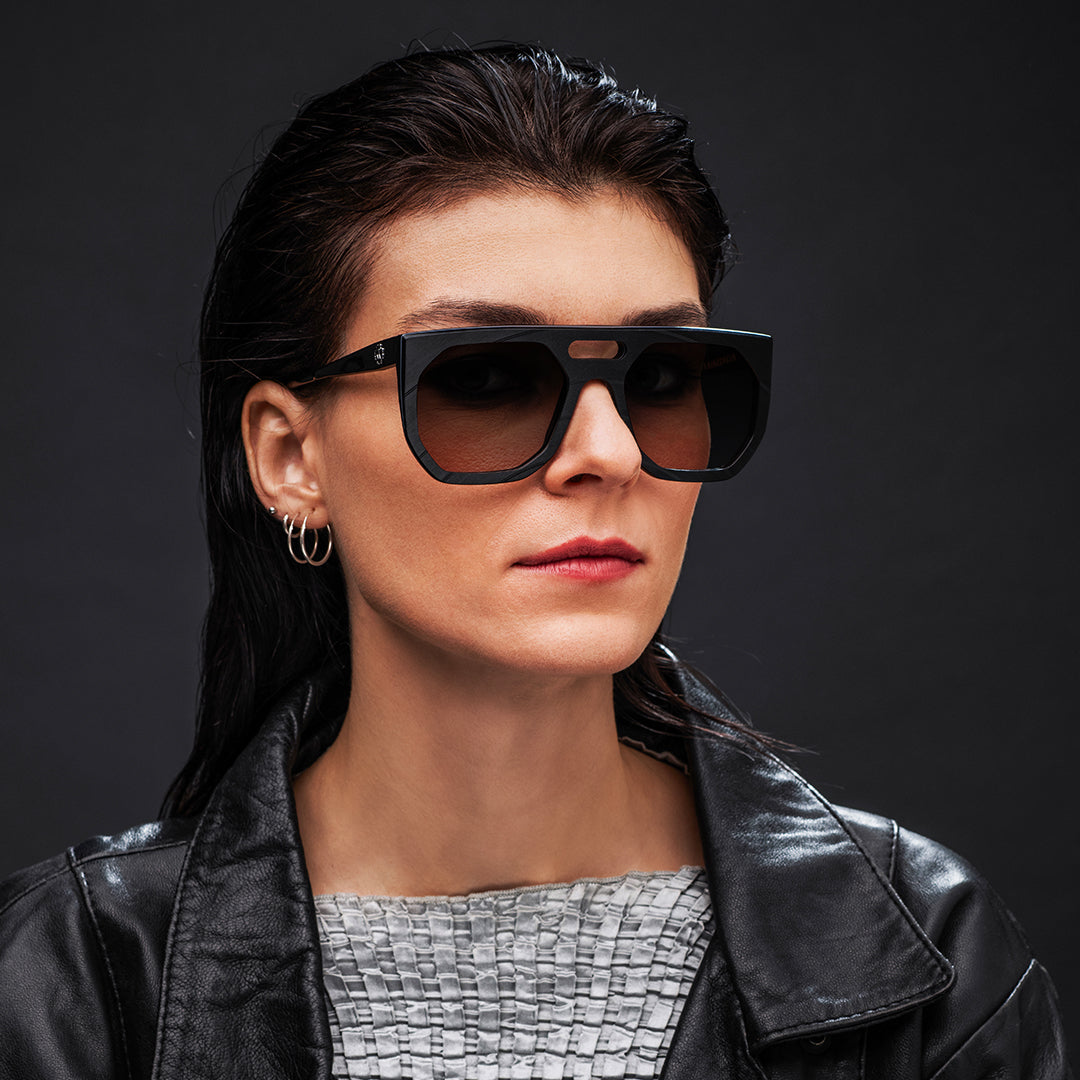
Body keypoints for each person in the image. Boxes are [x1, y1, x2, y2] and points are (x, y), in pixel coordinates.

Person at [0, 43, 1070, 1080]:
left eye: (660, 374)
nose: (608, 452)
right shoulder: (70, 981)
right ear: (291, 456)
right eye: (484, 377)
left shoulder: (937, 965)